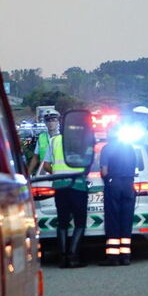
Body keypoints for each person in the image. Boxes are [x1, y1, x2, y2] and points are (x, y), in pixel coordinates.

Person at [43, 113, 88, 268]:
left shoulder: (54, 141)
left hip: (60, 186)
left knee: (62, 222)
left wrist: (56, 172)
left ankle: (62, 259)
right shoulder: (81, 141)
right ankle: (73, 257)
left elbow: (46, 165)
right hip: (77, 185)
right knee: (80, 222)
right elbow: (88, 163)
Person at [99, 124, 142, 266]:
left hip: (114, 185)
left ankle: (113, 257)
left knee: (113, 220)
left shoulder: (107, 148)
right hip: (128, 185)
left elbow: (104, 171)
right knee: (126, 220)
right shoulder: (130, 148)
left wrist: (107, 179)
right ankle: (126, 256)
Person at [28, 111, 60, 175]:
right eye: (48, 121)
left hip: (59, 172)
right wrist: (28, 174)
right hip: (43, 172)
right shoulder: (41, 137)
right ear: (45, 123)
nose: (50, 123)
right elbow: (35, 158)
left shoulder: (62, 137)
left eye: (53, 120)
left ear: (58, 122)